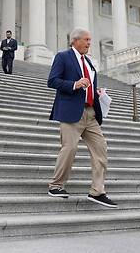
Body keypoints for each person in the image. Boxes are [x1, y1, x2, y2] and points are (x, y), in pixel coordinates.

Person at [46, 28, 117, 208]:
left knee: (101, 149)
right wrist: (74, 84)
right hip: (71, 112)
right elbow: (52, 81)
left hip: (91, 113)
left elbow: (90, 84)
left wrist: (97, 92)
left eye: (90, 40)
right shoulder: (63, 57)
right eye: (86, 40)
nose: (89, 43)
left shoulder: (90, 62)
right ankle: (56, 185)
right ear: (75, 41)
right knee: (69, 148)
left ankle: (97, 191)